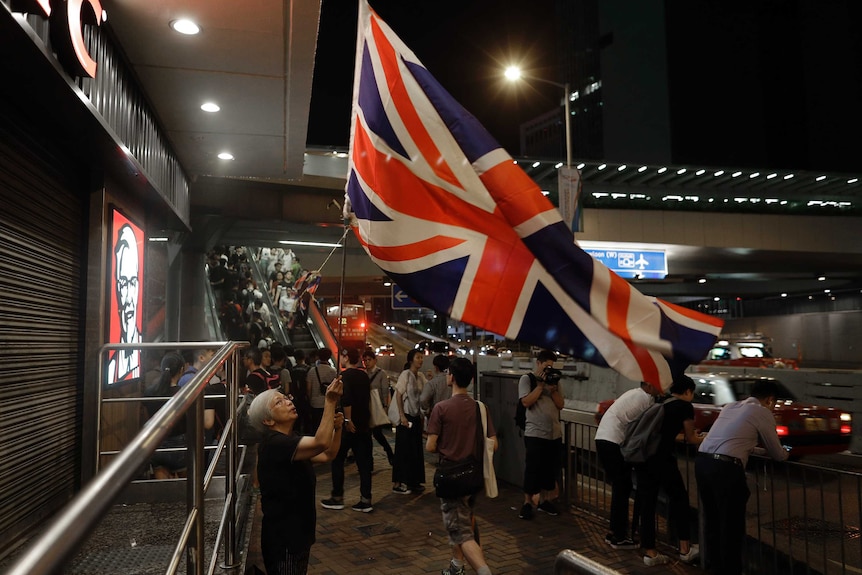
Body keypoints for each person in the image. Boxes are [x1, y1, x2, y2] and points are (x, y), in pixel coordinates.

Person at [249, 378, 344, 575]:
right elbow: (320, 443)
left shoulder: (290, 440)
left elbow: (327, 455)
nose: (288, 402)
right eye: (279, 402)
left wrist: (338, 428)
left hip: (298, 534)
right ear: (267, 420)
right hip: (285, 539)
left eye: (286, 398)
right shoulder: (275, 444)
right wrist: (330, 401)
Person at [696, 379, 789, 575]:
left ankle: (714, 566)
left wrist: (756, 451)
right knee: (731, 524)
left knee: (712, 519)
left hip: (703, 462)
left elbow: (732, 440)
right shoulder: (762, 412)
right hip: (725, 470)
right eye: (774, 403)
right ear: (770, 400)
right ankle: (731, 570)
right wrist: (786, 452)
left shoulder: (730, 406)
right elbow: (777, 453)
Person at [426, 357, 497, 575]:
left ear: (452, 378)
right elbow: (494, 443)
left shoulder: (441, 408)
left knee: (461, 533)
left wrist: (448, 446)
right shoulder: (480, 408)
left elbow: (430, 446)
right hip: (474, 476)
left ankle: (484, 571)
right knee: (467, 522)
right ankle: (456, 566)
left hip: (452, 478)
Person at [636, 375, 703, 566]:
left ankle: (650, 553)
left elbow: (663, 433)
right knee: (680, 499)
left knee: (648, 505)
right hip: (663, 460)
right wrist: (706, 439)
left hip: (645, 458)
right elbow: (691, 438)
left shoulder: (661, 402)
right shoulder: (684, 406)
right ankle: (685, 549)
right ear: (688, 391)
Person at [594, 381, 662, 549]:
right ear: (650, 385)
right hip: (613, 441)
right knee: (622, 487)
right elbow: (644, 428)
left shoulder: (634, 393)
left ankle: (614, 532)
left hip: (604, 438)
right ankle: (619, 536)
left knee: (620, 487)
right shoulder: (645, 399)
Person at [322, 348, 374, 512]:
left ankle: (337, 497)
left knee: (337, 459)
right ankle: (366, 500)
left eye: (341, 357)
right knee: (364, 464)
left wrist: (347, 420)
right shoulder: (364, 375)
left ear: (345, 357)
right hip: (364, 424)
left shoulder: (345, 376)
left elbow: (347, 399)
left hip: (349, 426)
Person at [518, 350, 564, 519]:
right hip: (535, 432)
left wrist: (553, 390)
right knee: (532, 469)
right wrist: (539, 386)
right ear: (538, 363)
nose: (549, 370)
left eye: (551, 367)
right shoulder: (527, 379)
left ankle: (545, 501)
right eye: (546, 366)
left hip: (554, 433)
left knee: (549, 470)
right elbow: (525, 402)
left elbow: (561, 405)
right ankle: (527, 503)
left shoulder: (555, 382)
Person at [107, 223, 141, 384]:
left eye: (133, 282)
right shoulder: (110, 367)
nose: (128, 298)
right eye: (123, 283)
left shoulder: (144, 350)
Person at [391, 348, 427, 494]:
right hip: (406, 417)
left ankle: (414, 481)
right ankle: (398, 482)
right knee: (403, 450)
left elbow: (425, 394)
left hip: (416, 417)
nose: (421, 360)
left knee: (416, 450)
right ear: (411, 359)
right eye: (418, 357)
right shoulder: (405, 374)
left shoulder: (421, 376)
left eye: (422, 357)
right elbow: (398, 395)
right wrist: (402, 416)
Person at [363, 349, 394, 464]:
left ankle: (389, 451)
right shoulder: (363, 373)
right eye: (365, 360)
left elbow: (385, 391)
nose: (367, 362)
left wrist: (385, 407)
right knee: (367, 435)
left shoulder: (381, 373)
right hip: (366, 407)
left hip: (377, 406)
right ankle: (369, 461)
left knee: (377, 433)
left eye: (369, 360)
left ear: (375, 360)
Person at [307, 347, 337, 432]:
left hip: (315, 404)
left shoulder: (312, 371)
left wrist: (310, 400)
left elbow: (308, 389)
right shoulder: (333, 371)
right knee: (328, 427)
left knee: (316, 426)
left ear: (318, 357)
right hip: (328, 404)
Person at [420, 354, 451, 418]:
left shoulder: (432, 383)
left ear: (436, 368)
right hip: (450, 416)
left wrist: (427, 410)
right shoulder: (453, 381)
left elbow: (423, 399)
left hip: (436, 416)